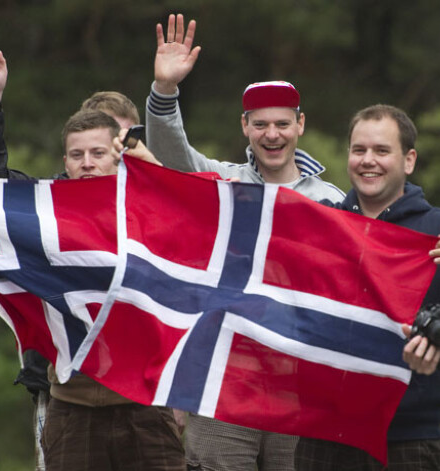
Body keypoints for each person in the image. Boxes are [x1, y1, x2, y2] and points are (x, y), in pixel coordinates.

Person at [140, 12, 345, 471]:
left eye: (282, 123)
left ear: (300, 125)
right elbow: (172, 156)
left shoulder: (332, 202)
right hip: (224, 383)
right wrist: (165, 91)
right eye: (261, 124)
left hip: (300, 388)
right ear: (245, 126)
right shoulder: (221, 183)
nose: (272, 135)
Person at [0, 35, 157, 470]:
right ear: (67, 157)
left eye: (116, 144)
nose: (91, 161)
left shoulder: (155, 208)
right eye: (79, 153)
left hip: (149, 397)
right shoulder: (44, 214)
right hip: (64, 393)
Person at [294, 104, 440, 471]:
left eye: (381, 151)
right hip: (324, 433)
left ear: (408, 160)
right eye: (359, 150)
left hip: (412, 435)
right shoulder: (319, 225)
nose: (367, 160)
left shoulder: (437, 228)